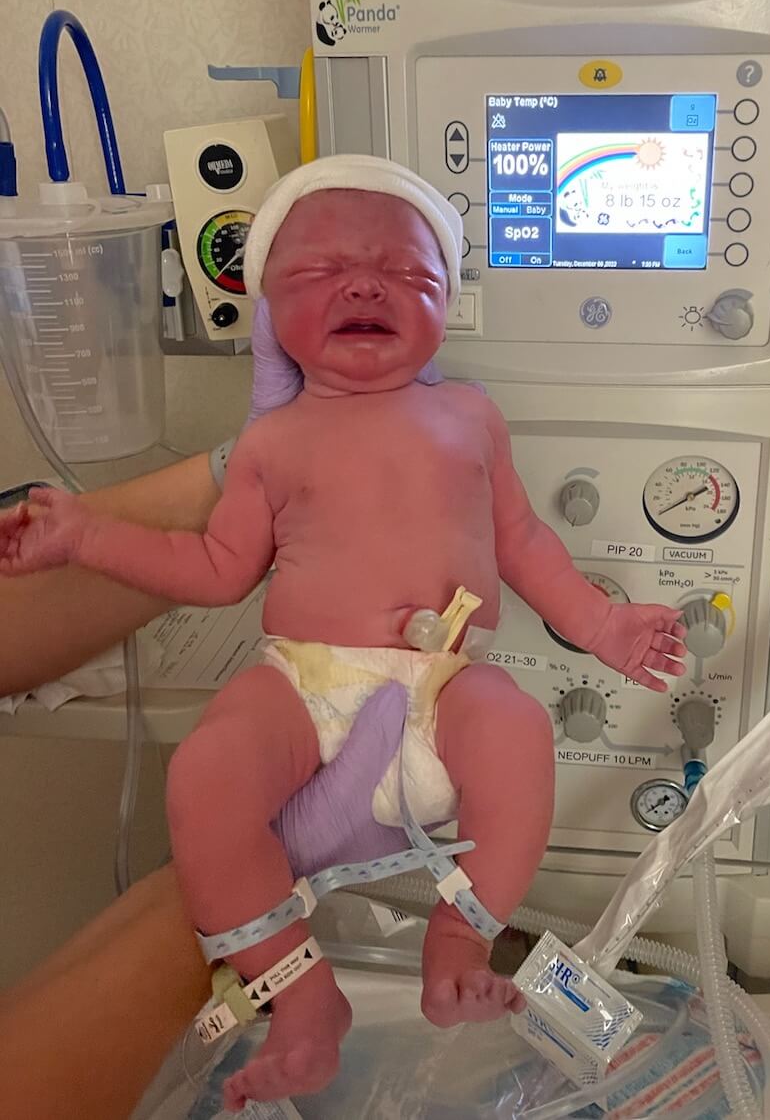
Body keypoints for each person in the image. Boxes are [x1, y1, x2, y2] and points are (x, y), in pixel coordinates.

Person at [1, 155, 687, 1113]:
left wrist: (603, 623)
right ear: (271, 314)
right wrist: (87, 533)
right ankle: (298, 990)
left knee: (519, 731)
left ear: (447, 297)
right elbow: (214, 568)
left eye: (406, 272)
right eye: (320, 272)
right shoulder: (274, 444)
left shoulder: (470, 415)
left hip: (445, 683)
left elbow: (523, 542)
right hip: (304, 683)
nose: (365, 284)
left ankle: (460, 939)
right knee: (204, 776)